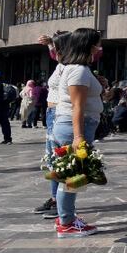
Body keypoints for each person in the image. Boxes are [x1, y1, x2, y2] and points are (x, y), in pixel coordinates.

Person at [50, 28, 103, 238]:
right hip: (74, 128)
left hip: (73, 126)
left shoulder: (77, 69)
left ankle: (66, 216)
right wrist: (79, 137)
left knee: (70, 174)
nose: (99, 48)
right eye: (97, 44)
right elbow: (77, 106)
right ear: (88, 46)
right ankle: (67, 222)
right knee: (72, 175)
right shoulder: (78, 70)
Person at [33, 32, 70, 217]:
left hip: (59, 114)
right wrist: (49, 43)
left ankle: (63, 203)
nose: (54, 51)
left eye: (56, 47)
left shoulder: (71, 66)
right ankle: (55, 198)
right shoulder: (61, 64)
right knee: (52, 160)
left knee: (60, 160)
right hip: (51, 113)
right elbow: (55, 56)